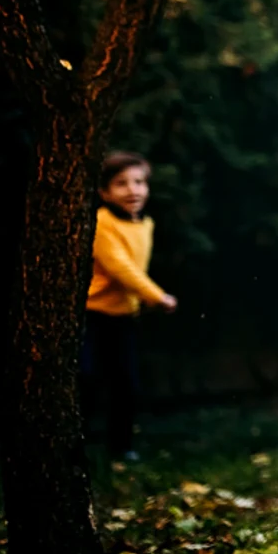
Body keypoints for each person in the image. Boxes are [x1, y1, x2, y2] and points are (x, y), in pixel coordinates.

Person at [85, 151, 177, 461]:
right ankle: (72, 451)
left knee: (127, 385)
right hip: (93, 315)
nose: (133, 190)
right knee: (85, 380)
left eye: (139, 182)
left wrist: (142, 301)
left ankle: (121, 448)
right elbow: (121, 268)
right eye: (121, 184)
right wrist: (157, 296)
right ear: (104, 192)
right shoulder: (102, 222)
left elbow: (137, 267)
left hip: (124, 317)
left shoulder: (145, 224)